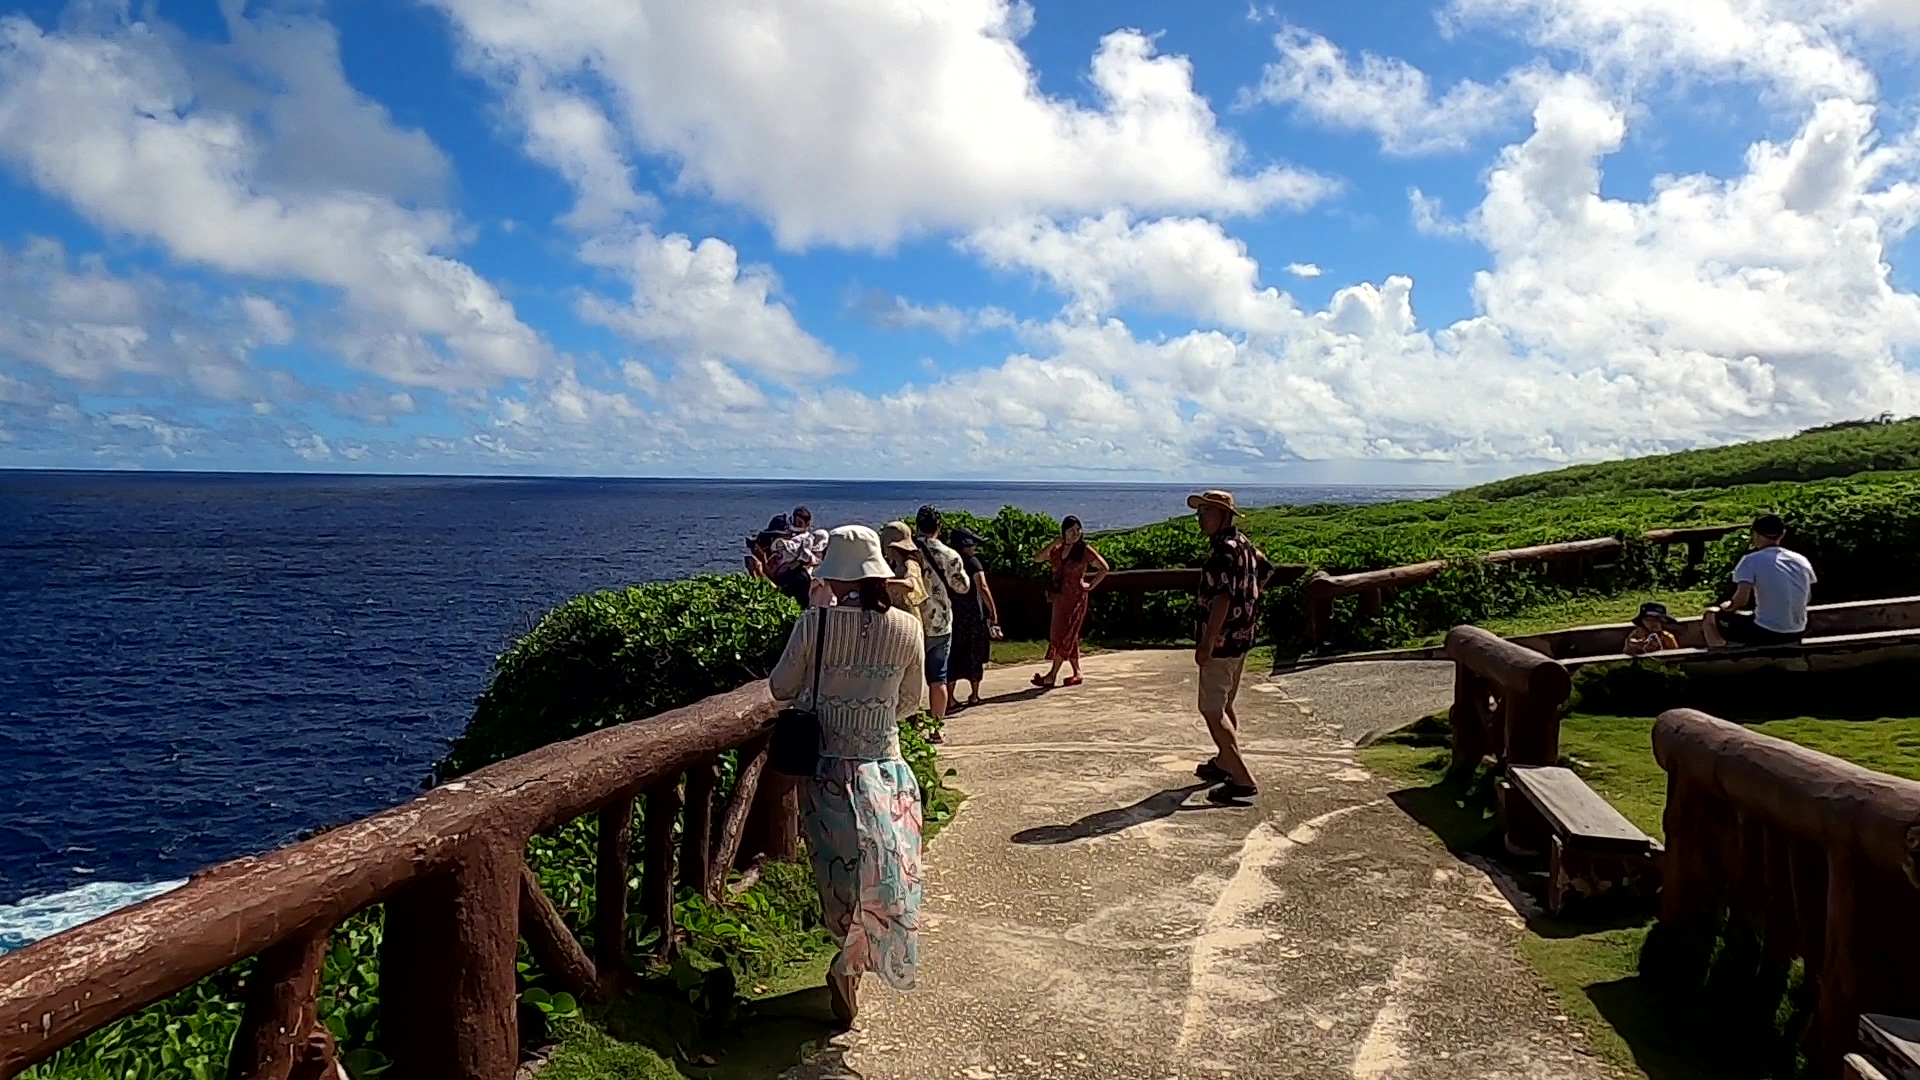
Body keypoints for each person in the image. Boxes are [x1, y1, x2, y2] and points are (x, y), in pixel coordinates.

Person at [769, 525, 926, 1026]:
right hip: (888, 772)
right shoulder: (907, 628)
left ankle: (847, 967)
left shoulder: (815, 625)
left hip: (829, 774)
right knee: (890, 877)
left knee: (841, 878)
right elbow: (909, 704)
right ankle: (850, 969)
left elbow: (779, 688)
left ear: (832, 575)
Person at [1188, 490, 1272, 805]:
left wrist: (1207, 642)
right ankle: (1225, 761)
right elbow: (1265, 572)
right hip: (1243, 639)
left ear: (1224, 515)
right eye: (1200, 512)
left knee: (1211, 710)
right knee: (1225, 705)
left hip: (1223, 644)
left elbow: (1221, 599)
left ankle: (1241, 777)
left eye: (1206, 512)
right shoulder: (1245, 545)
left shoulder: (1221, 553)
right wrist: (1249, 603)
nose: (1201, 518)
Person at [1702, 514, 1817, 648]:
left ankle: (1720, 658)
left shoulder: (1751, 560)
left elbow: (1740, 601)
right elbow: (1807, 597)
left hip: (1767, 633)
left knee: (1710, 615)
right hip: (1799, 631)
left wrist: (1724, 607)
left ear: (1755, 535)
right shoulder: (1800, 560)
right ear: (1782, 534)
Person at [911, 505, 973, 725]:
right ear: (939, 527)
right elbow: (962, 586)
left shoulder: (907, 551)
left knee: (910, 678)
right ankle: (937, 727)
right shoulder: (949, 554)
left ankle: (910, 728)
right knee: (938, 679)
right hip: (940, 623)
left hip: (911, 621)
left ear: (917, 526)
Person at [1031, 517, 1108, 687]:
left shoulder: (1084, 551)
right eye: (1071, 530)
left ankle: (1052, 675)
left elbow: (1104, 568)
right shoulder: (1057, 551)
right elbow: (1037, 558)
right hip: (1059, 599)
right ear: (1064, 532)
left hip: (1076, 598)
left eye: (1078, 530)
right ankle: (1077, 672)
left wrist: (1090, 585)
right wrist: (1053, 543)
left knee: (1067, 634)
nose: (1076, 534)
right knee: (1061, 634)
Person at [947, 528, 1000, 707]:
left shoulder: (949, 561)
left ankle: (950, 698)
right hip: (973, 615)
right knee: (975, 653)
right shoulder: (973, 563)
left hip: (954, 614)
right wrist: (992, 611)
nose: (975, 547)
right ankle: (974, 694)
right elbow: (983, 587)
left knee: (954, 654)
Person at [760, 514, 814, 607]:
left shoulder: (799, 576)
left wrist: (759, 572)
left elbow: (778, 596)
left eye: (778, 537)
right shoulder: (780, 565)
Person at [879, 521, 930, 618]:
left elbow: (911, 585)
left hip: (911, 617)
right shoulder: (894, 564)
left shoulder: (910, 564)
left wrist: (884, 583)